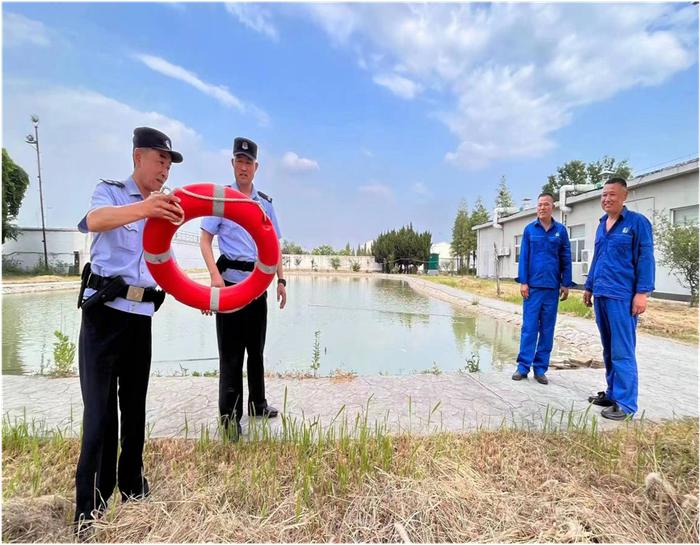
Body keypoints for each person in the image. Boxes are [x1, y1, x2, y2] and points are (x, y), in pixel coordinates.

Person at [74, 127, 184, 535]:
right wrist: (146, 208)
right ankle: (89, 507)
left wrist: (207, 300)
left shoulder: (167, 208)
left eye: (169, 164)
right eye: (160, 161)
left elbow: (165, 263)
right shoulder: (111, 193)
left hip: (140, 318)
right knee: (100, 414)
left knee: (134, 408)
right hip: (104, 318)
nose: (164, 171)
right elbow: (94, 221)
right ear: (138, 157)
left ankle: (132, 486)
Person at [200, 137, 286, 440]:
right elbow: (205, 239)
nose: (244, 166)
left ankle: (257, 405)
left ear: (256, 167)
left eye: (249, 162)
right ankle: (229, 418)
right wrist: (213, 276)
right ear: (232, 163)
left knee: (256, 352)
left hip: (257, 287)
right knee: (231, 356)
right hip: (230, 286)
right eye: (239, 160)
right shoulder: (222, 200)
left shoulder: (264, 204)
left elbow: (274, 245)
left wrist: (281, 280)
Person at [583, 177, 655, 420]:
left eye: (612, 194)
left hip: (622, 296)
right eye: (603, 195)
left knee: (623, 351)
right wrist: (589, 286)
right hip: (602, 294)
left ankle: (626, 404)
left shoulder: (637, 223)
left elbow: (646, 259)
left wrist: (642, 293)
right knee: (608, 349)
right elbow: (597, 258)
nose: (606, 199)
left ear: (624, 196)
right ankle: (613, 393)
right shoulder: (601, 224)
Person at [512, 192, 572, 385]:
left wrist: (565, 283)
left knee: (547, 329)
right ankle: (523, 367)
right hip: (533, 288)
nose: (542, 208)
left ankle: (540, 369)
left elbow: (565, 258)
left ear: (552, 207)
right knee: (529, 328)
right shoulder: (530, 230)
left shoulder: (560, 232)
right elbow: (524, 258)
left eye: (546, 204)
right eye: (539, 205)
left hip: (552, 288)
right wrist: (523, 282)